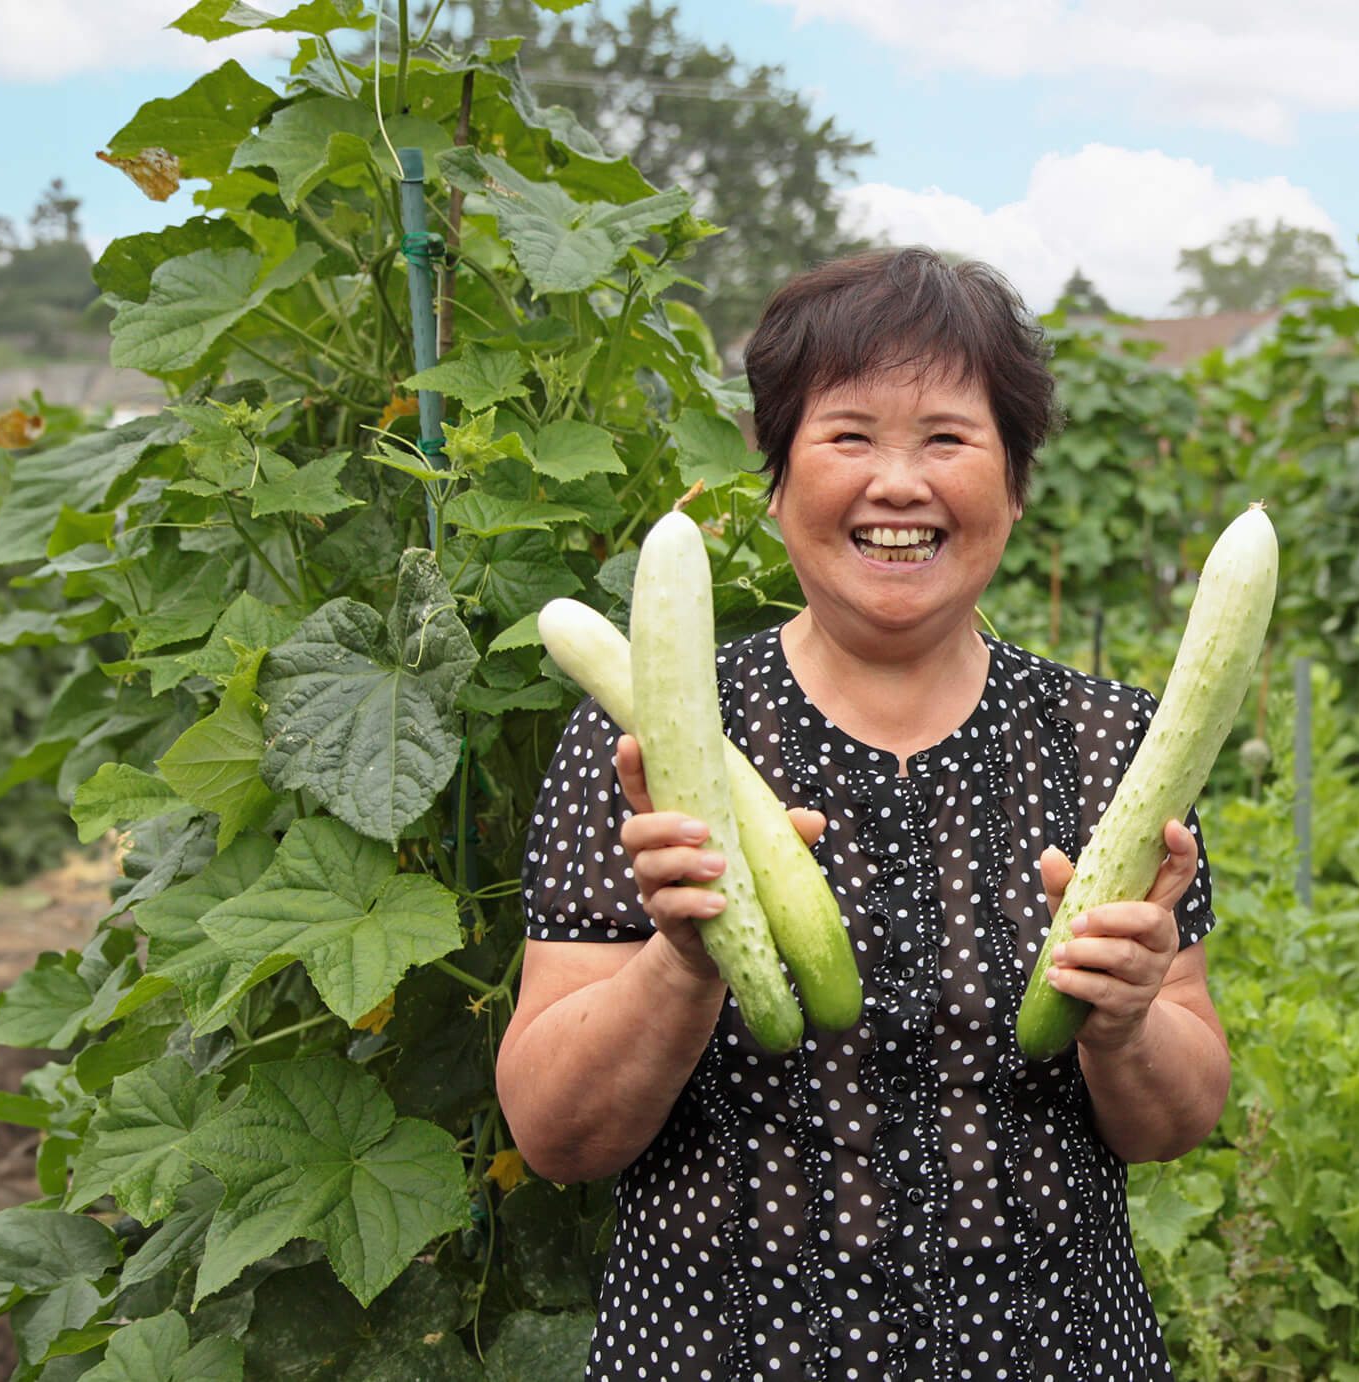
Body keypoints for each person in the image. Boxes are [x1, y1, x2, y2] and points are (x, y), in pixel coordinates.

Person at [496, 247, 1233, 1381]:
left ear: (1015, 480)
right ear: (777, 478)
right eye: (849, 436)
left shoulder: (1115, 745)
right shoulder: (645, 732)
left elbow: (1175, 1122)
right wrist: (684, 962)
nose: (900, 483)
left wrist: (1128, 1020)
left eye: (946, 437)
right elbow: (555, 1138)